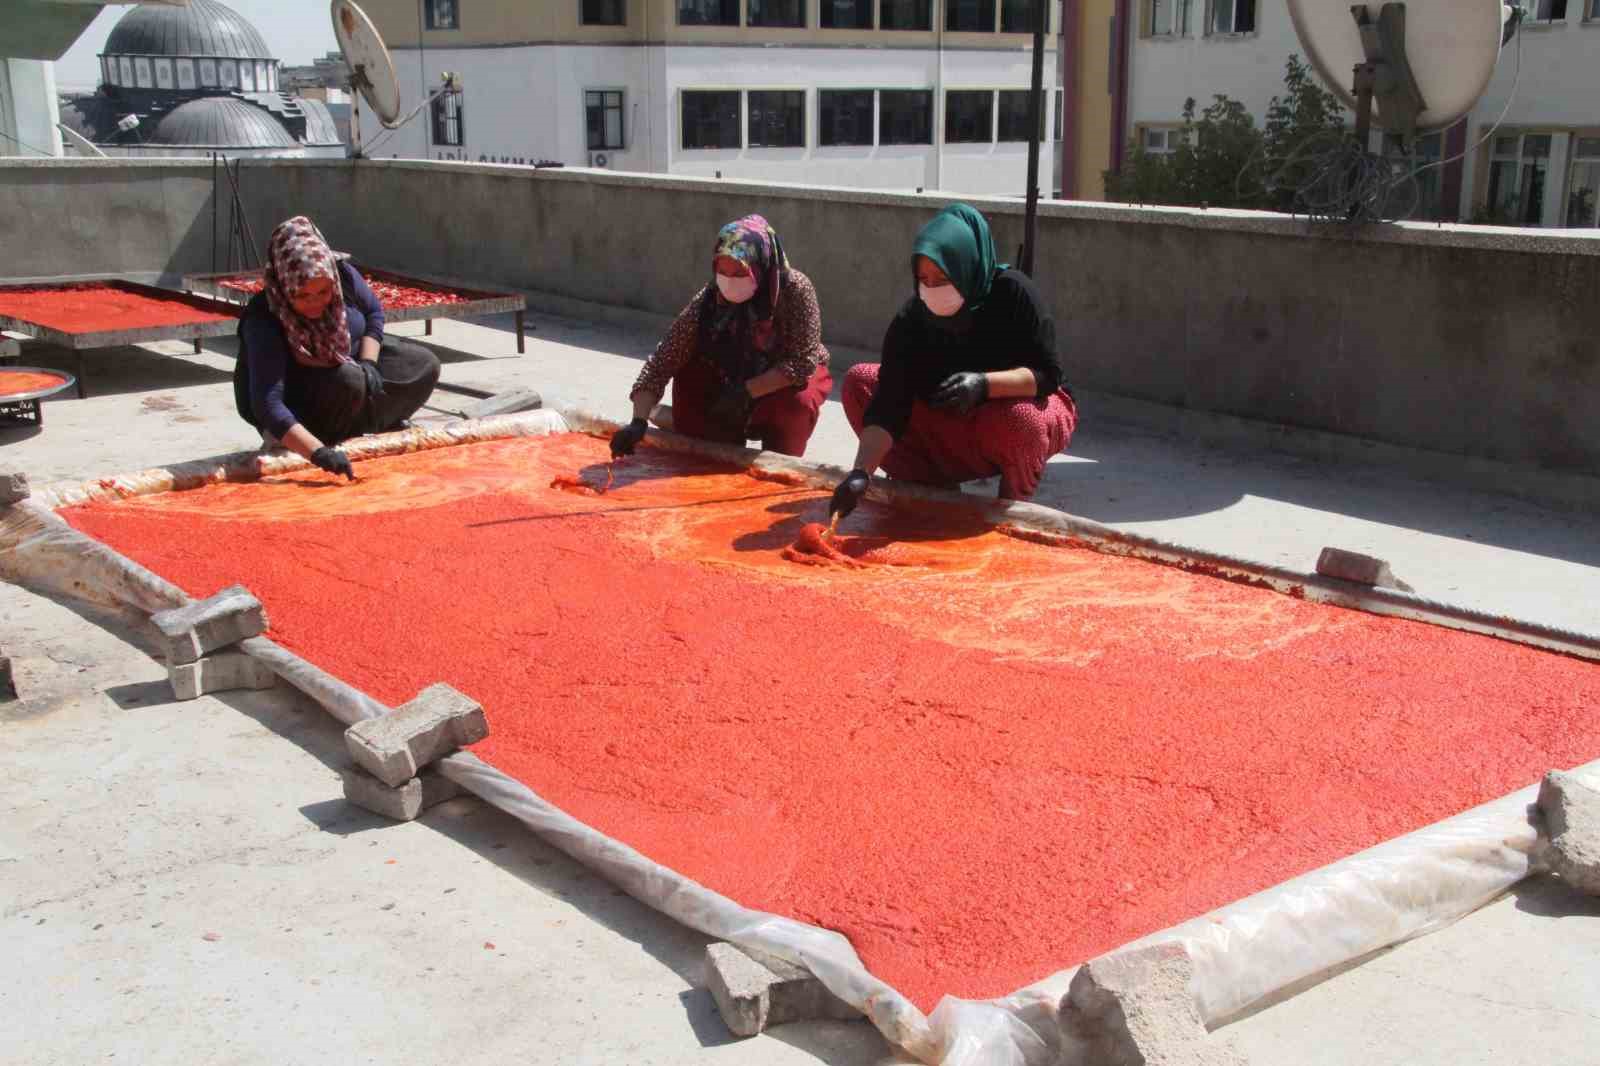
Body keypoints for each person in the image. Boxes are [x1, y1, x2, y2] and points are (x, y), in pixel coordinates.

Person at [829, 203, 1077, 521]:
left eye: (943, 277)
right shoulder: (912, 319)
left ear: (967, 267)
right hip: (951, 416)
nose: (932, 289)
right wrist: (860, 473)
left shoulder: (1014, 294)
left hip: (1018, 411)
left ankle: (1011, 507)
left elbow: (1047, 375)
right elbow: (890, 400)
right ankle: (928, 487)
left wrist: (983, 385)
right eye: (924, 278)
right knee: (860, 380)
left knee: (1022, 419)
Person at [233, 216, 441, 479]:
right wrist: (318, 453)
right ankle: (316, 438)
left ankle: (367, 422)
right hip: (299, 400)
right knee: (350, 380)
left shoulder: (343, 275)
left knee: (422, 364)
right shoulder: (264, 318)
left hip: (349, 368)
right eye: (302, 296)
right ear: (285, 287)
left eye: (323, 292)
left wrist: (369, 362)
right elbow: (267, 403)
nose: (315, 303)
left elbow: (373, 313)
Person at [610, 214, 832, 460]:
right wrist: (638, 421)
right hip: (731, 376)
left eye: (739, 271)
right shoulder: (709, 300)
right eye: (722, 270)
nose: (729, 281)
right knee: (692, 378)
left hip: (782, 381)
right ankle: (685, 423)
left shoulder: (795, 290)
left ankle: (780, 454)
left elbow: (803, 362)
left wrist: (747, 391)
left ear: (760, 265)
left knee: (797, 403)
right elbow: (662, 361)